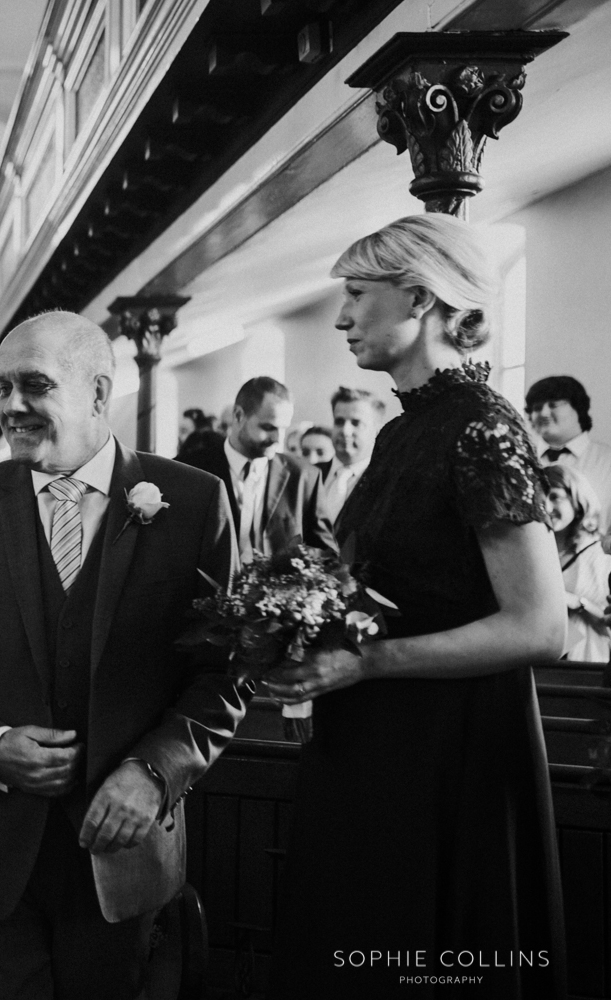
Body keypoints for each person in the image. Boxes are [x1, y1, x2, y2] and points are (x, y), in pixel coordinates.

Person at [0, 310, 249, 999]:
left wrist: (152, 772)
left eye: (35, 385)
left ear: (101, 394)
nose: (12, 406)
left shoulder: (193, 503)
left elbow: (224, 677)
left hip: (121, 845)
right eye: (3, 386)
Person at [266, 214, 567, 999]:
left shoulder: (480, 429)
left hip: (450, 757)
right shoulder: (406, 432)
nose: (341, 317)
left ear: (424, 299)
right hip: (386, 747)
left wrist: (366, 661)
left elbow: (540, 626)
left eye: (358, 294)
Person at [176, 376, 333, 561]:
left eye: (283, 429)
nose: (278, 439)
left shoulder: (304, 476)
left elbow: (326, 556)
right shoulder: (188, 470)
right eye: (268, 427)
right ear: (238, 416)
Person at [528, 375, 611, 538]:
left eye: (553, 405)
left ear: (578, 408)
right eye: (537, 408)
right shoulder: (523, 460)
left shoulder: (607, 460)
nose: (544, 413)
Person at [544, 464, 611, 661]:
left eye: (555, 496)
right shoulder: (534, 552)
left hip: (586, 660)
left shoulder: (600, 554)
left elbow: (607, 621)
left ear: (577, 499)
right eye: (540, 498)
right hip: (541, 662)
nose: (546, 507)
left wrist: (576, 602)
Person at [314, 386, 385, 525]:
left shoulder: (384, 482)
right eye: (339, 422)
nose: (345, 431)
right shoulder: (310, 475)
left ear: (376, 430)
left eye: (356, 423)